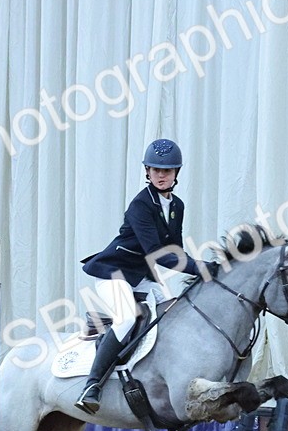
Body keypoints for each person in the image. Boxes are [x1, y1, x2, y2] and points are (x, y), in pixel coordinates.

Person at [74, 138, 207, 414]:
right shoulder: (140, 205)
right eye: (156, 170)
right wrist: (202, 267)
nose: (161, 175)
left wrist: (200, 266)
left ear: (176, 174)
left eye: (167, 171)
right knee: (125, 320)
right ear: (147, 171)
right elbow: (160, 254)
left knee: (173, 313)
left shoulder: (177, 206)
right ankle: (92, 385)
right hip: (114, 273)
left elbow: (175, 250)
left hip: (141, 275)